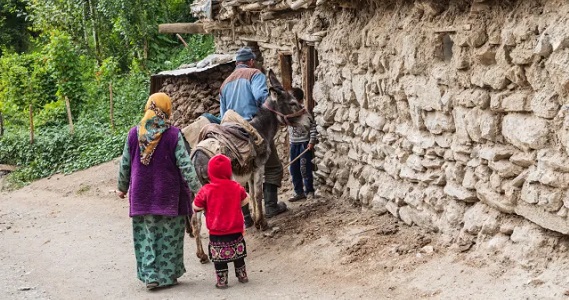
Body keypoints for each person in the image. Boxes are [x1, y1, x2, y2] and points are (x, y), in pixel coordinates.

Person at [116, 92, 202, 290]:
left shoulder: (134, 134)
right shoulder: (173, 135)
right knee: (169, 237)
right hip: (168, 195)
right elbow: (185, 165)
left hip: (141, 195)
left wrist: (122, 188)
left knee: (147, 237)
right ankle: (168, 275)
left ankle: (151, 275)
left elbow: (125, 164)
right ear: (166, 109)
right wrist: (199, 189)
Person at [219, 46, 287, 223]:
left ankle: (247, 216)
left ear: (236, 63)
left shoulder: (225, 83)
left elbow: (223, 114)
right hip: (254, 129)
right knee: (272, 167)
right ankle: (271, 206)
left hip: (231, 133)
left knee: (241, 171)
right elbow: (261, 97)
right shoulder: (255, 74)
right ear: (250, 61)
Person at [192, 154, 250, 289]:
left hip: (217, 233)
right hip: (235, 231)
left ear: (210, 172)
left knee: (219, 261)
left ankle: (222, 281)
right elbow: (246, 200)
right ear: (229, 171)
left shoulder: (206, 190)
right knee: (238, 256)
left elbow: (196, 207)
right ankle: (242, 275)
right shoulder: (236, 186)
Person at [287, 88, 318, 202]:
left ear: (299, 101)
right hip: (293, 144)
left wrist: (311, 142)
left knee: (305, 168)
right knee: (294, 169)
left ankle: (309, 191)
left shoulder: (305, 114)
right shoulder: (288, 115)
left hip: (304, 144)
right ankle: (298, 192)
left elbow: (313, 127)